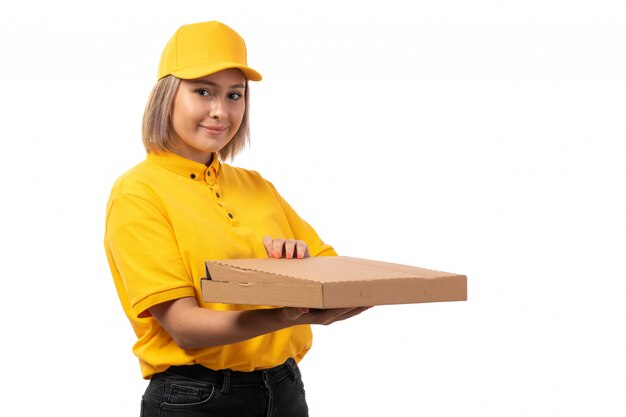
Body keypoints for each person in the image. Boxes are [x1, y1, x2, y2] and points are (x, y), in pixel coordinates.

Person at [104, 21, 368, 416]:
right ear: (167, 96)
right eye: (203, 91)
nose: (220, 111)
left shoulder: (256, 185)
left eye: (234, 95)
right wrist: (284, 313)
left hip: (285, 388)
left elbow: (334, 272)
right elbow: (185, 326)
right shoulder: (139, 193)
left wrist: (300, 267)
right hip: (196, 399)